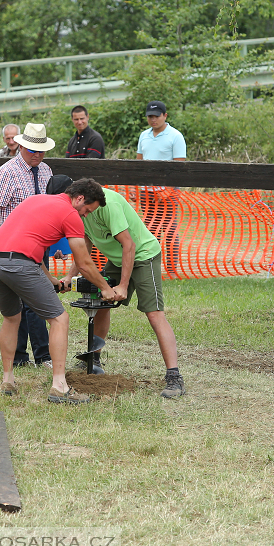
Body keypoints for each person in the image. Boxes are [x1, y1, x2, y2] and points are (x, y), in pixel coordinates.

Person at [0, 178, 122, 404]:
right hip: (18, 264)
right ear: (79, 199)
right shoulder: (70, 215)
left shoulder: (37, 200)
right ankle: (59, 387)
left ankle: (7, 380)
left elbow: (29, 249)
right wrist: (105, 288)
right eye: (87, 210)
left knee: (11, 318)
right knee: (60, 319)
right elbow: (85, 263)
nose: (86, 216)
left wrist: (52, 281)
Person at [63, 187, 185, 398]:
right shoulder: (78, 209)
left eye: (89, 211)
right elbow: (86, 244)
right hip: (118, 260)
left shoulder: (109, 205)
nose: (86, 215)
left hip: (143, 255)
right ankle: (95, 359)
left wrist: (123, 286)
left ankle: (174, 377)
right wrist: (69, 277)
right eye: (85, 211)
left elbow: (129, 245)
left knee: (154, 314)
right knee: (101, 305)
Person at [0, 122, 55, 368]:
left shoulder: (46, 171)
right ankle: (20, 357)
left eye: (41, 150)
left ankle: (42, 356)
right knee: (17, 306)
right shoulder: (6, 172)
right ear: (22, 146)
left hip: (39, 246)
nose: (37, 155)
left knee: (38, 300)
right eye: (32, 150)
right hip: (12, 250)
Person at [136, 100, 185, 277]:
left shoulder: (175, 136)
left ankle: (172, 270)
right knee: (150, 230)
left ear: (165, 116)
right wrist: (137, 187)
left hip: (168, 193)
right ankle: (151, 268)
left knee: (170, 230)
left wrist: (170, 189)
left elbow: (180, 166)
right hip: (147, 193)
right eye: (150, 116)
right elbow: (139, 163)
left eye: (156, 116)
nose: (153, 119)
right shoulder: (144, 136)